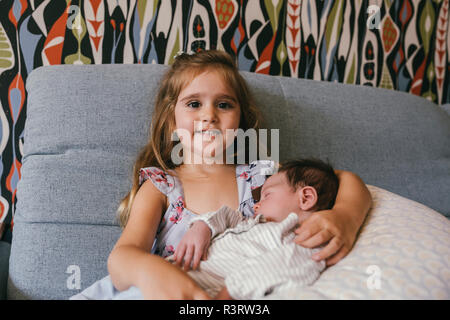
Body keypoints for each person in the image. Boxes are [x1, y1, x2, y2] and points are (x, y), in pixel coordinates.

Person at [72, 50, 371, 300]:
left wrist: (345, 216)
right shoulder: (163, 186)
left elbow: (345, 179)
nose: (209, 115)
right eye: (193, 104)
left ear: (240, 119)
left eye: (224, 104)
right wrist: (149, 271)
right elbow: (122, 258)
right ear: (172, 120)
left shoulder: (260, 180)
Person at [171, 158, 339, 299]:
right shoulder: (253, 223)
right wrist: (202, 227)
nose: (256, 205)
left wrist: (229, 292)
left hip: (205, 287)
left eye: (267, 195)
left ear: (306, 198)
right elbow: (227, 215)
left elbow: (271, 268)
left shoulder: (303, 240)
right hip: (174, 271)